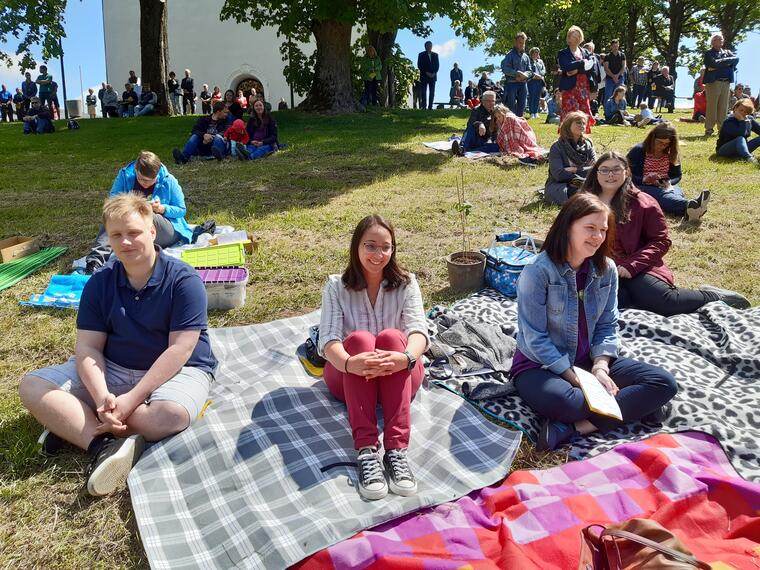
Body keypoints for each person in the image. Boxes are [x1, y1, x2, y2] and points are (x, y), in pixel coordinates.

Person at [20, 192, 217, 497]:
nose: (126, 242)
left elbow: (180, 350)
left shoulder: (184, 281)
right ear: (108, 239)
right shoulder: (100, 283)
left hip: (178, 369)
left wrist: (131, 399)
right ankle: (101, 444)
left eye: (134, 233)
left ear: (153, 233)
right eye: (117, 235)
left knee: (170, 416)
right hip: (114, 367)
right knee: (32, 386)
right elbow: (88, 348)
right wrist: (101, 399)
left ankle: (73, 421)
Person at [512, 191, 678, 451]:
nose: (598, 237)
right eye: (590, 228)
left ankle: (577, 427)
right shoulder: (538, 271)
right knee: (572, 402)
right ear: (568, 226)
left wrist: (600, 367)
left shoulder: (606, 269)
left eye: (602, 230)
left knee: (664, 383)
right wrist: (575, 378)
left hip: (588, 359)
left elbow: (607, 323)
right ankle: (633, 407)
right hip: (540, 365)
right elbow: (534, 337)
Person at [318, 214, 427, 499]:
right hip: (350, 377)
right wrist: (350, 362)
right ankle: (366, 451)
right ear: (356, 247)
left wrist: (403, 358)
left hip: (400, 374)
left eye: (386, 247)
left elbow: (419, 332)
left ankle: (396, 452)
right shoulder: (335, 286)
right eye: (370, 246)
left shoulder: (407, 283)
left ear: (393, 249)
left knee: (392, 337)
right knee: (360, 340)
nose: (378, 254)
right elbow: (328, 339)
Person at [583, 152, 749, 315]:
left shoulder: (644, 203)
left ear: (626, 172)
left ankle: (713, 296)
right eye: (604, 169)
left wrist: (631, 265)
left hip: (634, 266)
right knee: (614, 304)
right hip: (596, 267)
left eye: (616, 169)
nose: (610, 174)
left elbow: (660, 241)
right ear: (596, 173)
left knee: (666, 302)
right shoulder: (583, 203)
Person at [84, 151, 193, 272]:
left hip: (166, 228)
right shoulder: (125, 176)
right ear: (136, 170)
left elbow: (181, 210)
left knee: (142, 214)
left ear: (157, 175)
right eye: (141, 179)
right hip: (133, 225)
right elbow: (112, 202)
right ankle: (94, 262)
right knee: (115, 216)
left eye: (150, 181)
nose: (145, 184)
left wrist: (162, 208)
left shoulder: (169, 180)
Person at [626, 122, 709, 220]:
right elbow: (626, 174)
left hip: (665, 184)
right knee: (661, 195)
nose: (662, 146)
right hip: (641, 185)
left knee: (674, 192)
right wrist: (645, 179)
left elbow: (677, 175)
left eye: (666, 144)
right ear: (652, 138)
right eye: (660, 142)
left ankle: (691, 210)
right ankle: (689, 206)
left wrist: (668, 181)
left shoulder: (671, 152)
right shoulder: (639, 150)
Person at [544, 111, 596, 205]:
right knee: (580, 195)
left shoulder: (588, 144)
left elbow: (595, 168)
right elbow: (559, 174)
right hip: (561, 186)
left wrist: (574, 169)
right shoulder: (557, 147)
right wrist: (581, 175)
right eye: (578, 122)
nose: (582, 125)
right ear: (568, 125)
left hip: (587, 182)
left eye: (584, 123)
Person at [558, 26, 596, 133]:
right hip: (569, 88)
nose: (577, 39)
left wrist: (577, 70)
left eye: (579, 36)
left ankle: (583, 137)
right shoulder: (563, 53)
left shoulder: (585, 52)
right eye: (574, 36)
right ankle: (566, 136)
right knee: (569, 112)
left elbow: (591, 67)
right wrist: (582, 63)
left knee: (584, 112)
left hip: (583, 87)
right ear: (568, 38)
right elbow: (566, 67)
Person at [703, 33, 738, 137]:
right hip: (714, 82)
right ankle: (709, 128)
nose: (721, 40)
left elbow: (736, 59)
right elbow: (711, 64)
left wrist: (720, 64)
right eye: (718, 39)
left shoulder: (727, 52)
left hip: (726, 82)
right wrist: (727, 65)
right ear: (713, 42)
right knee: (712, 106)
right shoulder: (708, 53)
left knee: (723, 106)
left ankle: (722, 129)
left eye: (722, 39)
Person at [451, 90, 498, 155]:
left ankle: (468, 151)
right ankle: (461, 148)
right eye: (488, 101)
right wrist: (480, 124)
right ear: (483, 101)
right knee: (470, 127)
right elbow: (470, 125)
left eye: (493, 101)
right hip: (474, 138)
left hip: (485, 140)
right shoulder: (477, 109)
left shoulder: (496, 111)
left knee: (497, 147)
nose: (491, 103)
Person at [501, 32, 533, 117]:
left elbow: (530, 71)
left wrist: (525, 75)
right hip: (512, 84)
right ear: (515, 43)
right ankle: (510, 124)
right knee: (511, 106)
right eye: (520, 42)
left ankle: (519, 125)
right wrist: (517, 74)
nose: (522, 45)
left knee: (522, 105)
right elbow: (505, 69)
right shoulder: (509, 55)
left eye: (523, 43)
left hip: (523, 84)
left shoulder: (526, 57)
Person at [417, 41, 439, 110]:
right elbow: (420, 65)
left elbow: (437, 65)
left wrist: (434, 73)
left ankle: (430, 107)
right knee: (423, 91)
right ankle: (424, 106)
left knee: (432, 92)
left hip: (433, 76)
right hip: (424, 76)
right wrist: (427, 73)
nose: (429, 47)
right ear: (425, 46)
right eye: (428, 46)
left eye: (430, 46)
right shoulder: (421, 55)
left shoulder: (435, 55)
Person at [527, 47, 546, 119]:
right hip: (532, 80)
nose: (537, 53)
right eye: (535, 52)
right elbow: (530, 71)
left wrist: (541, 75)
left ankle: (536, 112)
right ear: (532, 53)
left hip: (539, 81)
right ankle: (532, 112)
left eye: (538, 52)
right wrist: (536, 76)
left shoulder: (540, 61)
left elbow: (543, 69)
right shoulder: (529, 61)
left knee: (537, 97)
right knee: (532, 96)